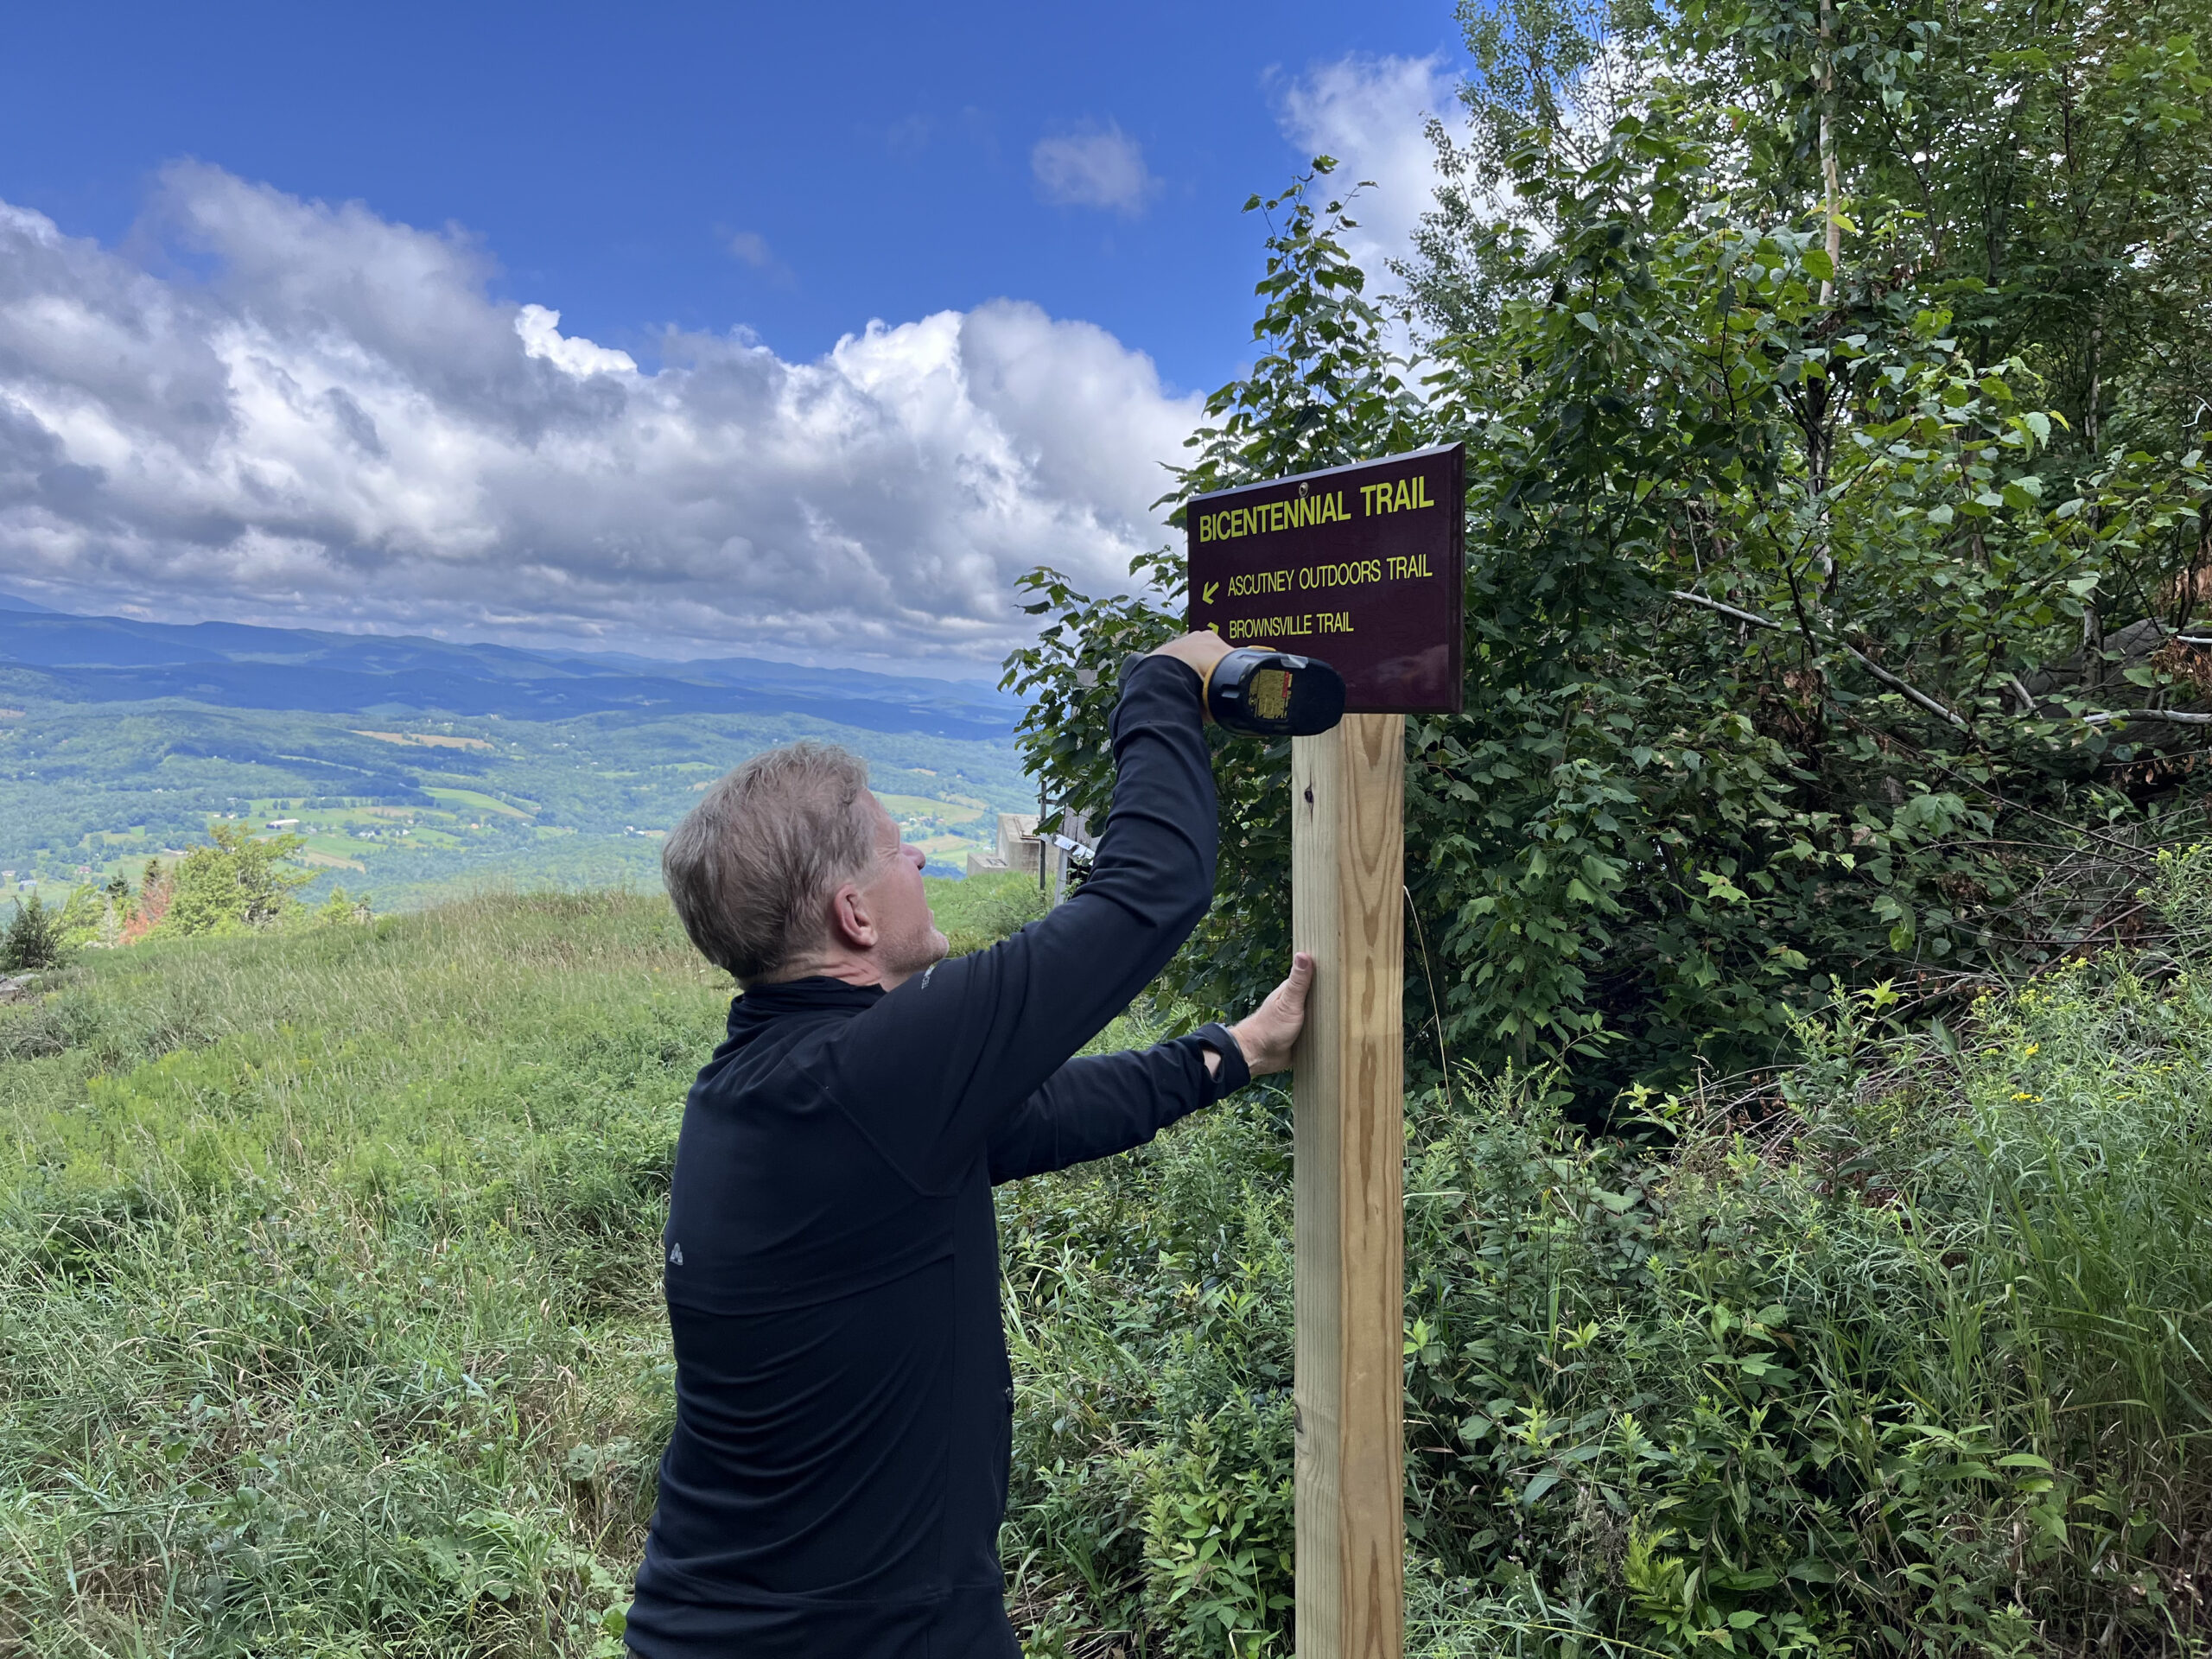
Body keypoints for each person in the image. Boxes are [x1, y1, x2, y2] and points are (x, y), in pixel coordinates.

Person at [626, 629, 1313, 1658]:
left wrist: (1233, 1054)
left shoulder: (771, 1085)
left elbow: (1038, 1116)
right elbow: (1148, 890)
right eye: (894, 849)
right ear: (853, 914)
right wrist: (1162, 683)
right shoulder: (872, 1076)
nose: (916, 859)